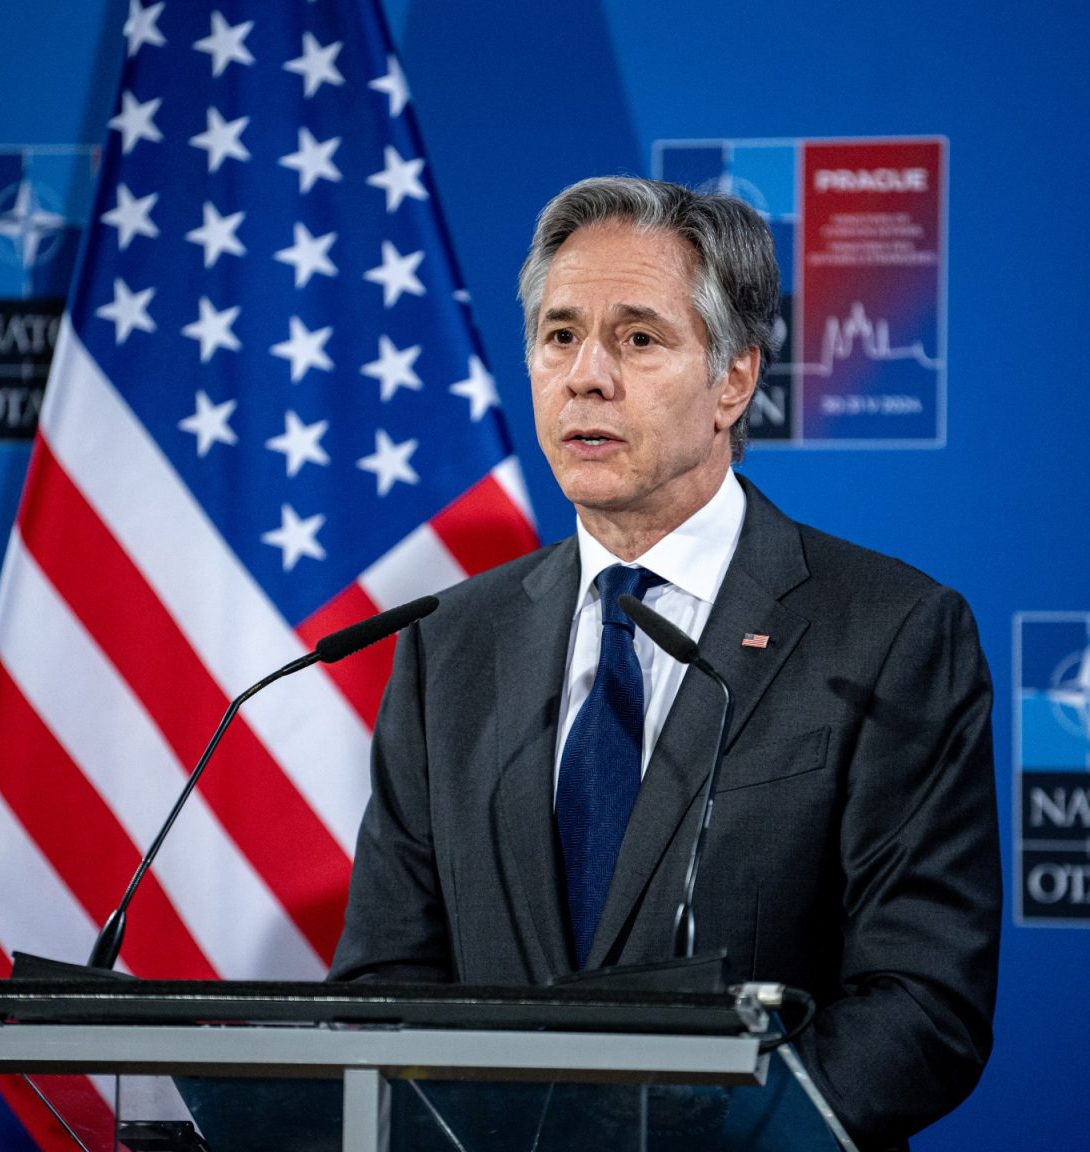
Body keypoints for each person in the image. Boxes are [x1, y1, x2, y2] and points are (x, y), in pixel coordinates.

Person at [330, 176, 1001, 1150]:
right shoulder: (451, 642)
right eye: (560, 336)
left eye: (638, 339)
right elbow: (384, 982)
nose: (586, 376)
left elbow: (923, 1004)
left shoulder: (887, 634)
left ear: (733, 380)